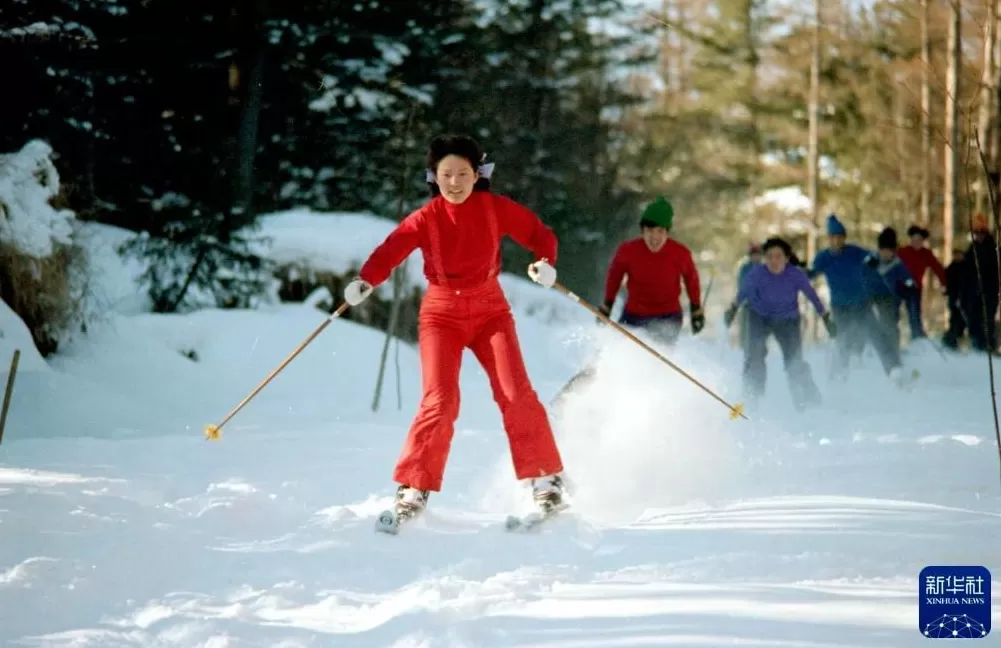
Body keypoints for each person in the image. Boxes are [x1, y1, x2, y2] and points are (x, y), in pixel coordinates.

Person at [344, 134, 567, 521]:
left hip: (490, 310)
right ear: (434, 176)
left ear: (477, 174)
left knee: (515, 393)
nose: (455, 182)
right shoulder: (426, 217)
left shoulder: (494, 208)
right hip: (441, 314)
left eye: (463, 174)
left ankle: (545, 478)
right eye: (446, 174)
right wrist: (366, 280)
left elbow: (538, 234)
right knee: (440, 400)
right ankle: (414, 485)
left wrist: (544, 262)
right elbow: (391, 249)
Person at [723, 237, 834, 410]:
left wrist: (825, 317)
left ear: (786, 258)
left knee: (794, 361)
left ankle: (808, 401)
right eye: (769, 257)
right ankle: (751, 398)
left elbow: (812, 295)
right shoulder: (757, 273)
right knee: (754, 356)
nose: (774, 261)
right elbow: (743, 292)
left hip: (788, 320)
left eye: (778, 256)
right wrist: (732, 309)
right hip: (760, 318)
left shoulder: (795, 274)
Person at [599, 195, 704, 346]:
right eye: (649, 230)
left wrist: (696, 309)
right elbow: (615, 276)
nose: (655, 237)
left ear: (667, 232)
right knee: (619, 347)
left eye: (660, 231)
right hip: (633, 314)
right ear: (642, 230)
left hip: (667, 317)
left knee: (657, 351)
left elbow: (691, 278)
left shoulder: (680, 253)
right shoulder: (628, 250)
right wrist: (607, 304)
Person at [810, 214, 900, 379]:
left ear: (844, 238)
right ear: (829, 239)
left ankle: (894, 369)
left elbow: (871, 257)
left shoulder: (854, 252)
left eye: (840, 237)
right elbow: (812, 273)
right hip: (840, 307)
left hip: (861, 304)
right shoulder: (824, 257)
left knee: (877, 335)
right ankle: (838, 376)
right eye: (833, 238)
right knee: (843, 341)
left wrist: (873, 261)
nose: (837, 241)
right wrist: (800, 271)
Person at [863, 227, 918, 357]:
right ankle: (865, 349)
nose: (885, 254)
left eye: (889, 251)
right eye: (882, 250)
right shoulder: (871, 260)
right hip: (870, 295)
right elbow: (860, 273)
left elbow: (907, 278)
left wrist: (909, 287)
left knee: (889, 323)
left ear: (894, 251)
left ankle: (893, 352)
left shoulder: (897, 264)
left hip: (888, 298)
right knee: (866, 320)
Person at [896, 225, 947, 340]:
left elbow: (938, 268)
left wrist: (944, 284)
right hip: (899, 287)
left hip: (915, 289)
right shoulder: (903, 251)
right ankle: (890, 339)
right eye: (914, 240)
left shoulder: (926, 254)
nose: (916, 243)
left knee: (914, 315)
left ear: (923, 241)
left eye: (919, 240)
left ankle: (917, 339)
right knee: (893, 313)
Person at [959, 213, 999, 353]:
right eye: (976, 233)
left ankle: (989, 346)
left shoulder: (992, 248)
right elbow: (966, 270)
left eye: (981, 233)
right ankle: (977, 345)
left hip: (989, 291)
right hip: (973, 291)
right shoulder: (972, 249)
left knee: (988, 319)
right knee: (973, 318)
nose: (979, 236)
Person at [942, 248, 967, 350]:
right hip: (953, 298)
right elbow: (947, 282)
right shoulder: (951, 268)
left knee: (962, 321)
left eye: (959, 255)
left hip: (965, 299)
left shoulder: (967, 268)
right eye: (956, 255)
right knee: (954, 320)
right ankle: (951, 341)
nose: (958, 257)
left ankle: (955, 339)